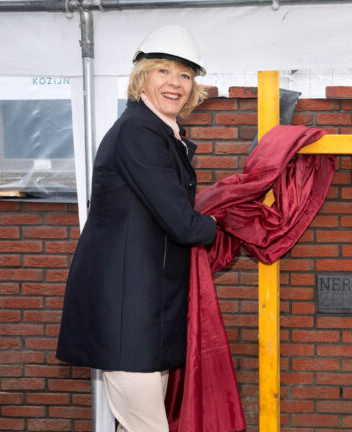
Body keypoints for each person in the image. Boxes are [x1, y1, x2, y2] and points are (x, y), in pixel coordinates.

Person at [56, 24, 217, 431]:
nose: (175, 83)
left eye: (184, 74)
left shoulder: (159, 132)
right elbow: (180, 221)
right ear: (141, 76)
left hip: (145, 310)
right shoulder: (139, 131)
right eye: (163, 71)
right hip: (127, 312)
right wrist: (217, 225)